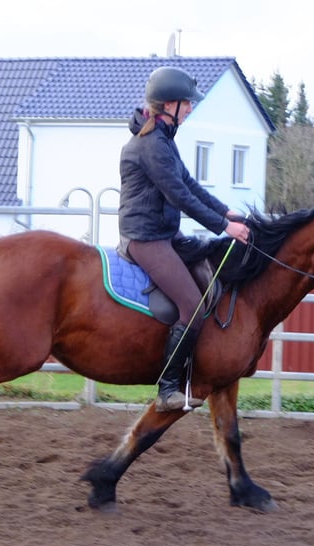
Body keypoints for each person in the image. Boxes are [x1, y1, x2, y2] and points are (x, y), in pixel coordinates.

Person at [118, 66, 250, 412]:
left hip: (163, 234)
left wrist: (226, 213)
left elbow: (189, 184)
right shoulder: (151, 145)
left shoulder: (164, 140)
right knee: (192, 306)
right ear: (169, 105)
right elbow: (178, 195)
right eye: (187, 104)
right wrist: (224, 227)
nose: (191, 109)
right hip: (145, 239)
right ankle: (167, 389)